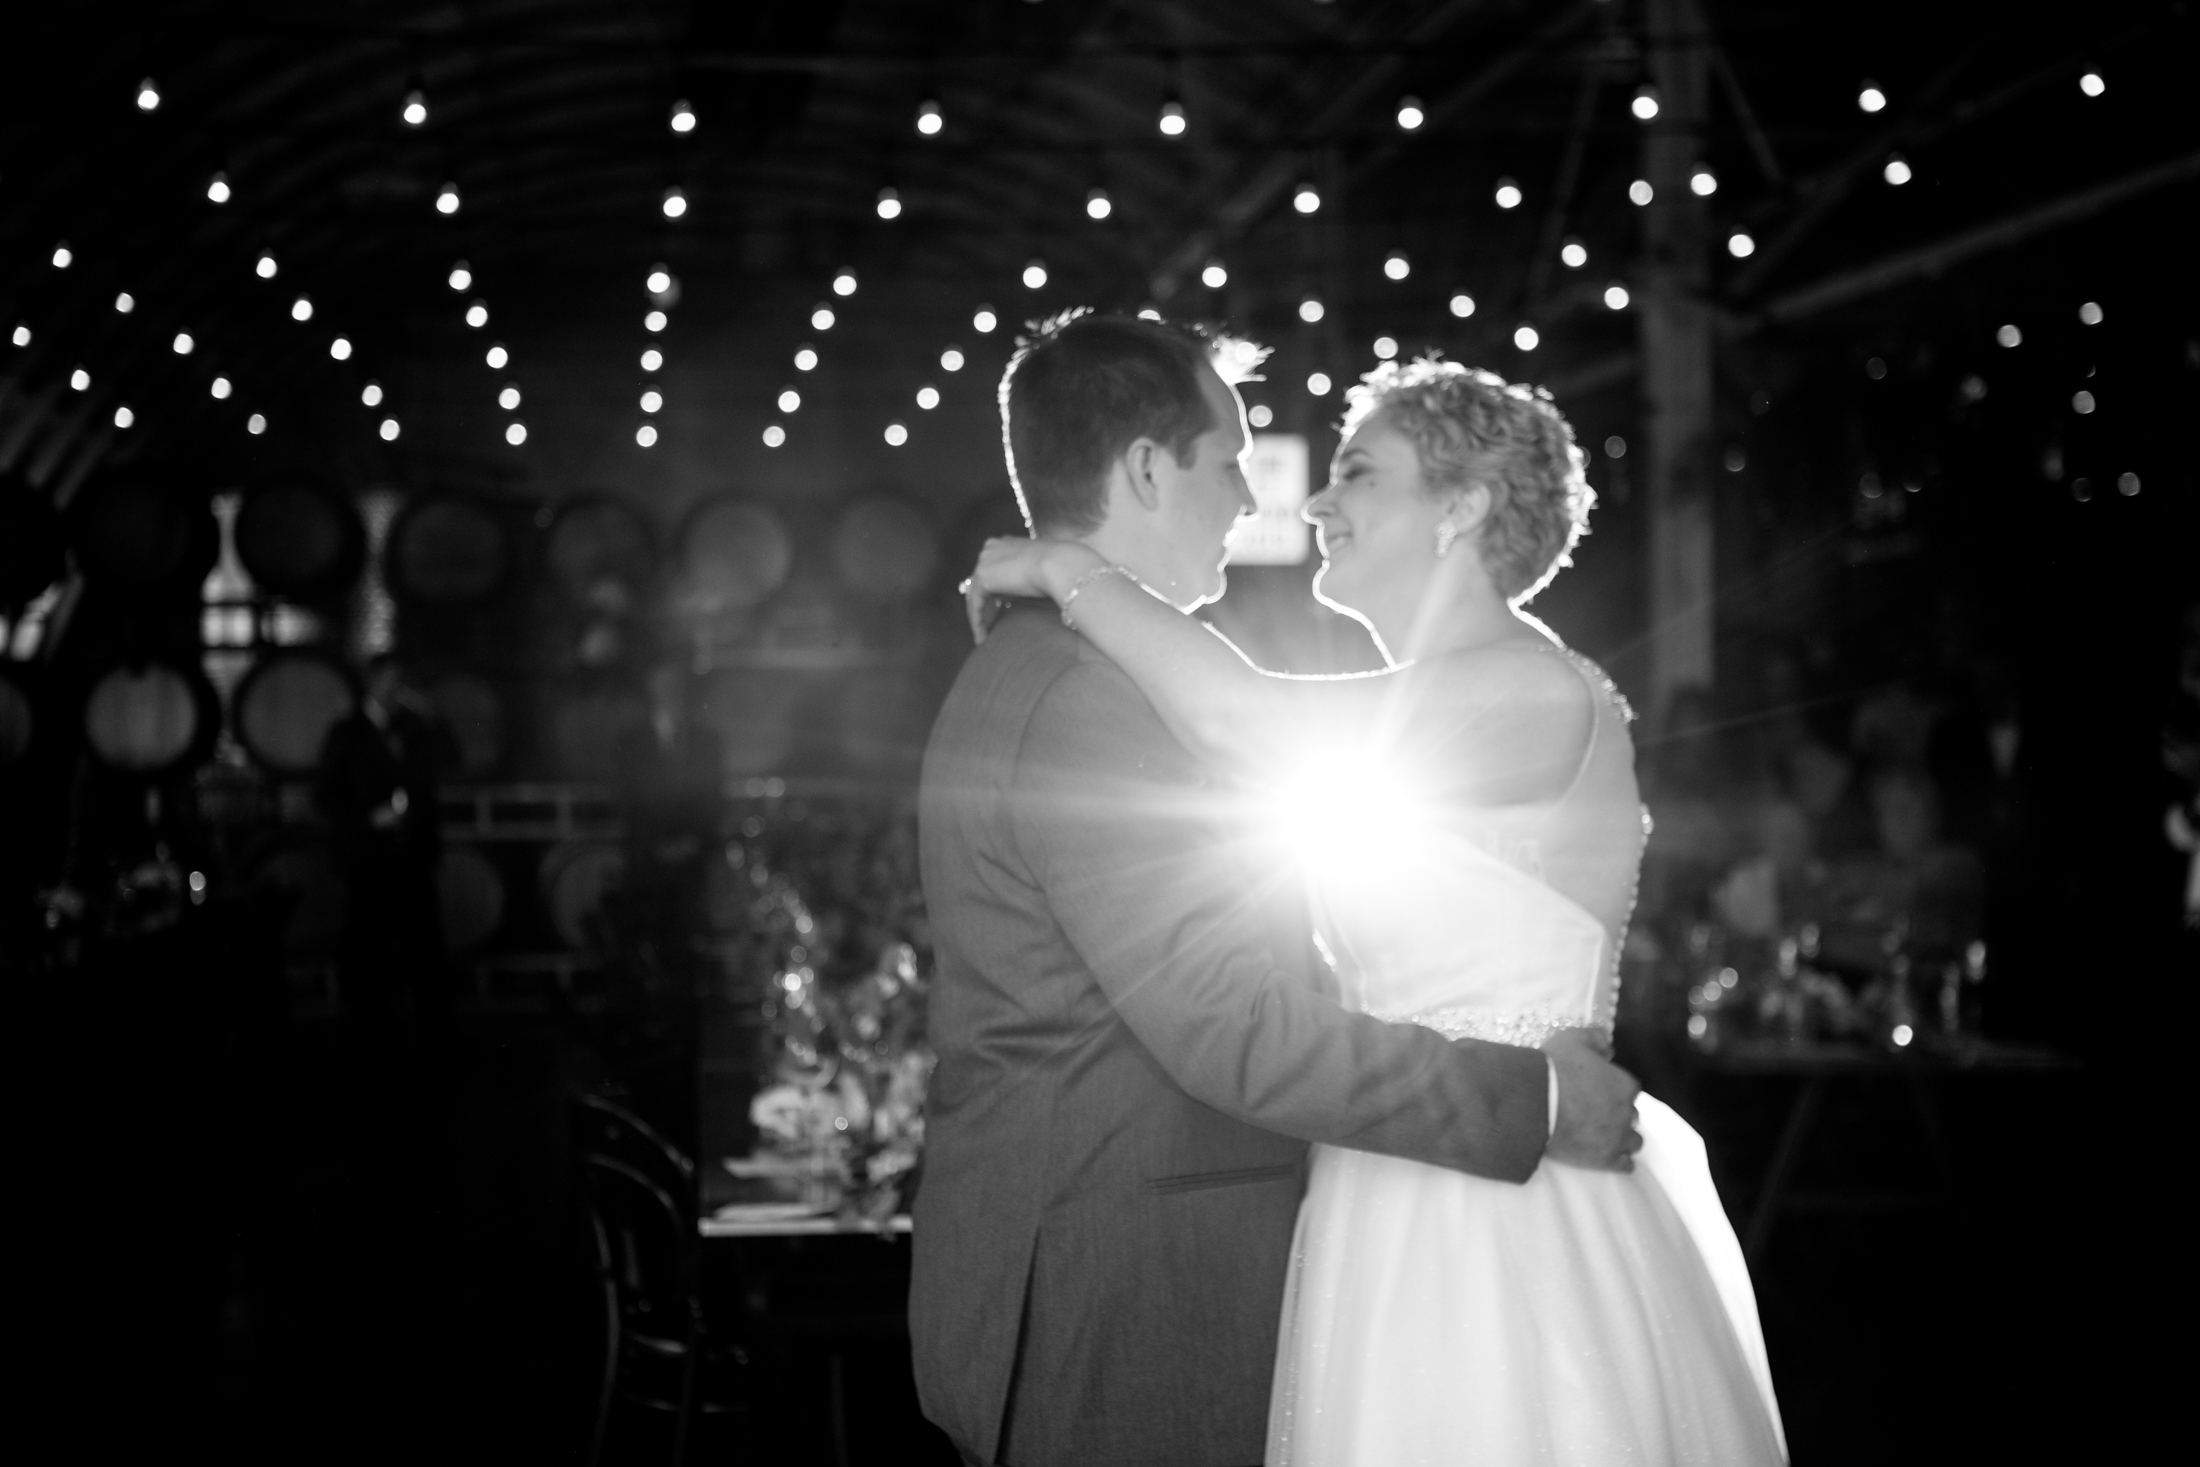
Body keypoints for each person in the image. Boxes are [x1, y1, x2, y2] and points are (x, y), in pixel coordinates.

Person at [968, 350, 1788, 1464]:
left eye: (1355, 473)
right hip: (1388, 1180)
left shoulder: (1533, 689)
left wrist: (1070, 570)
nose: (1311, 501)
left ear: (1459, 507)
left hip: (1502, 1217)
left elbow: (1244, 723)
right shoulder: (1426, 701)